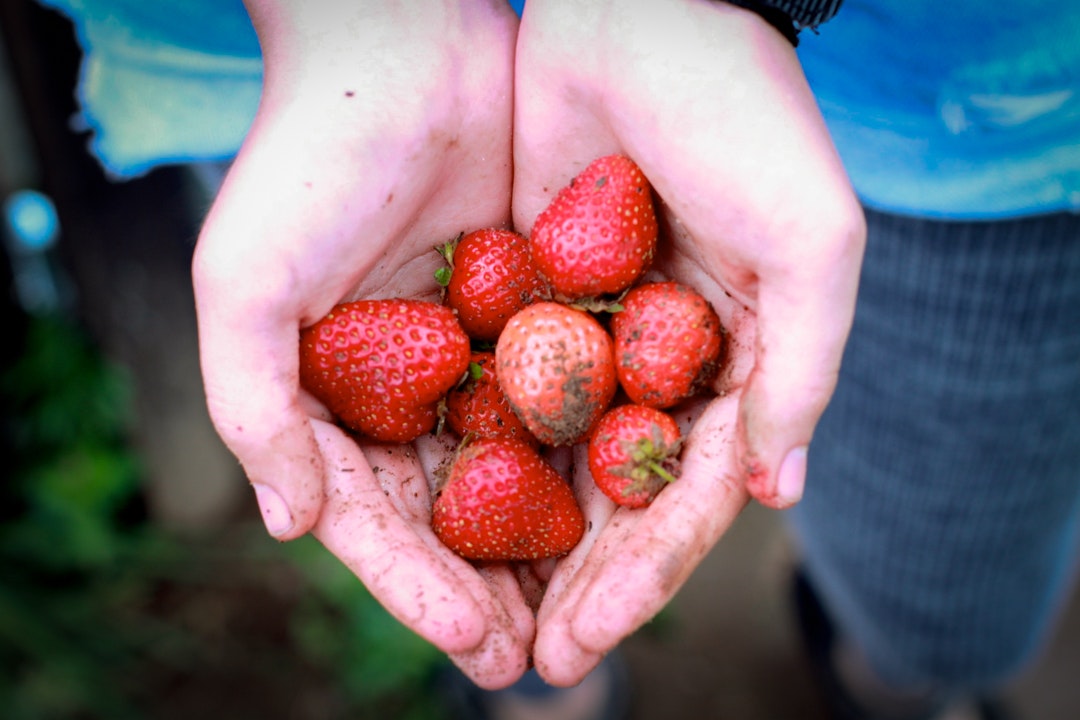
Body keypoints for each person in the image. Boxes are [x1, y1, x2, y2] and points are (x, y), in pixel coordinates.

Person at [36, 0, 1080, 718]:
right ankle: (543, 688)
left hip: (954, 101)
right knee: (511, 629)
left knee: (946, 609)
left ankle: (901, 676)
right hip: (317, 76)